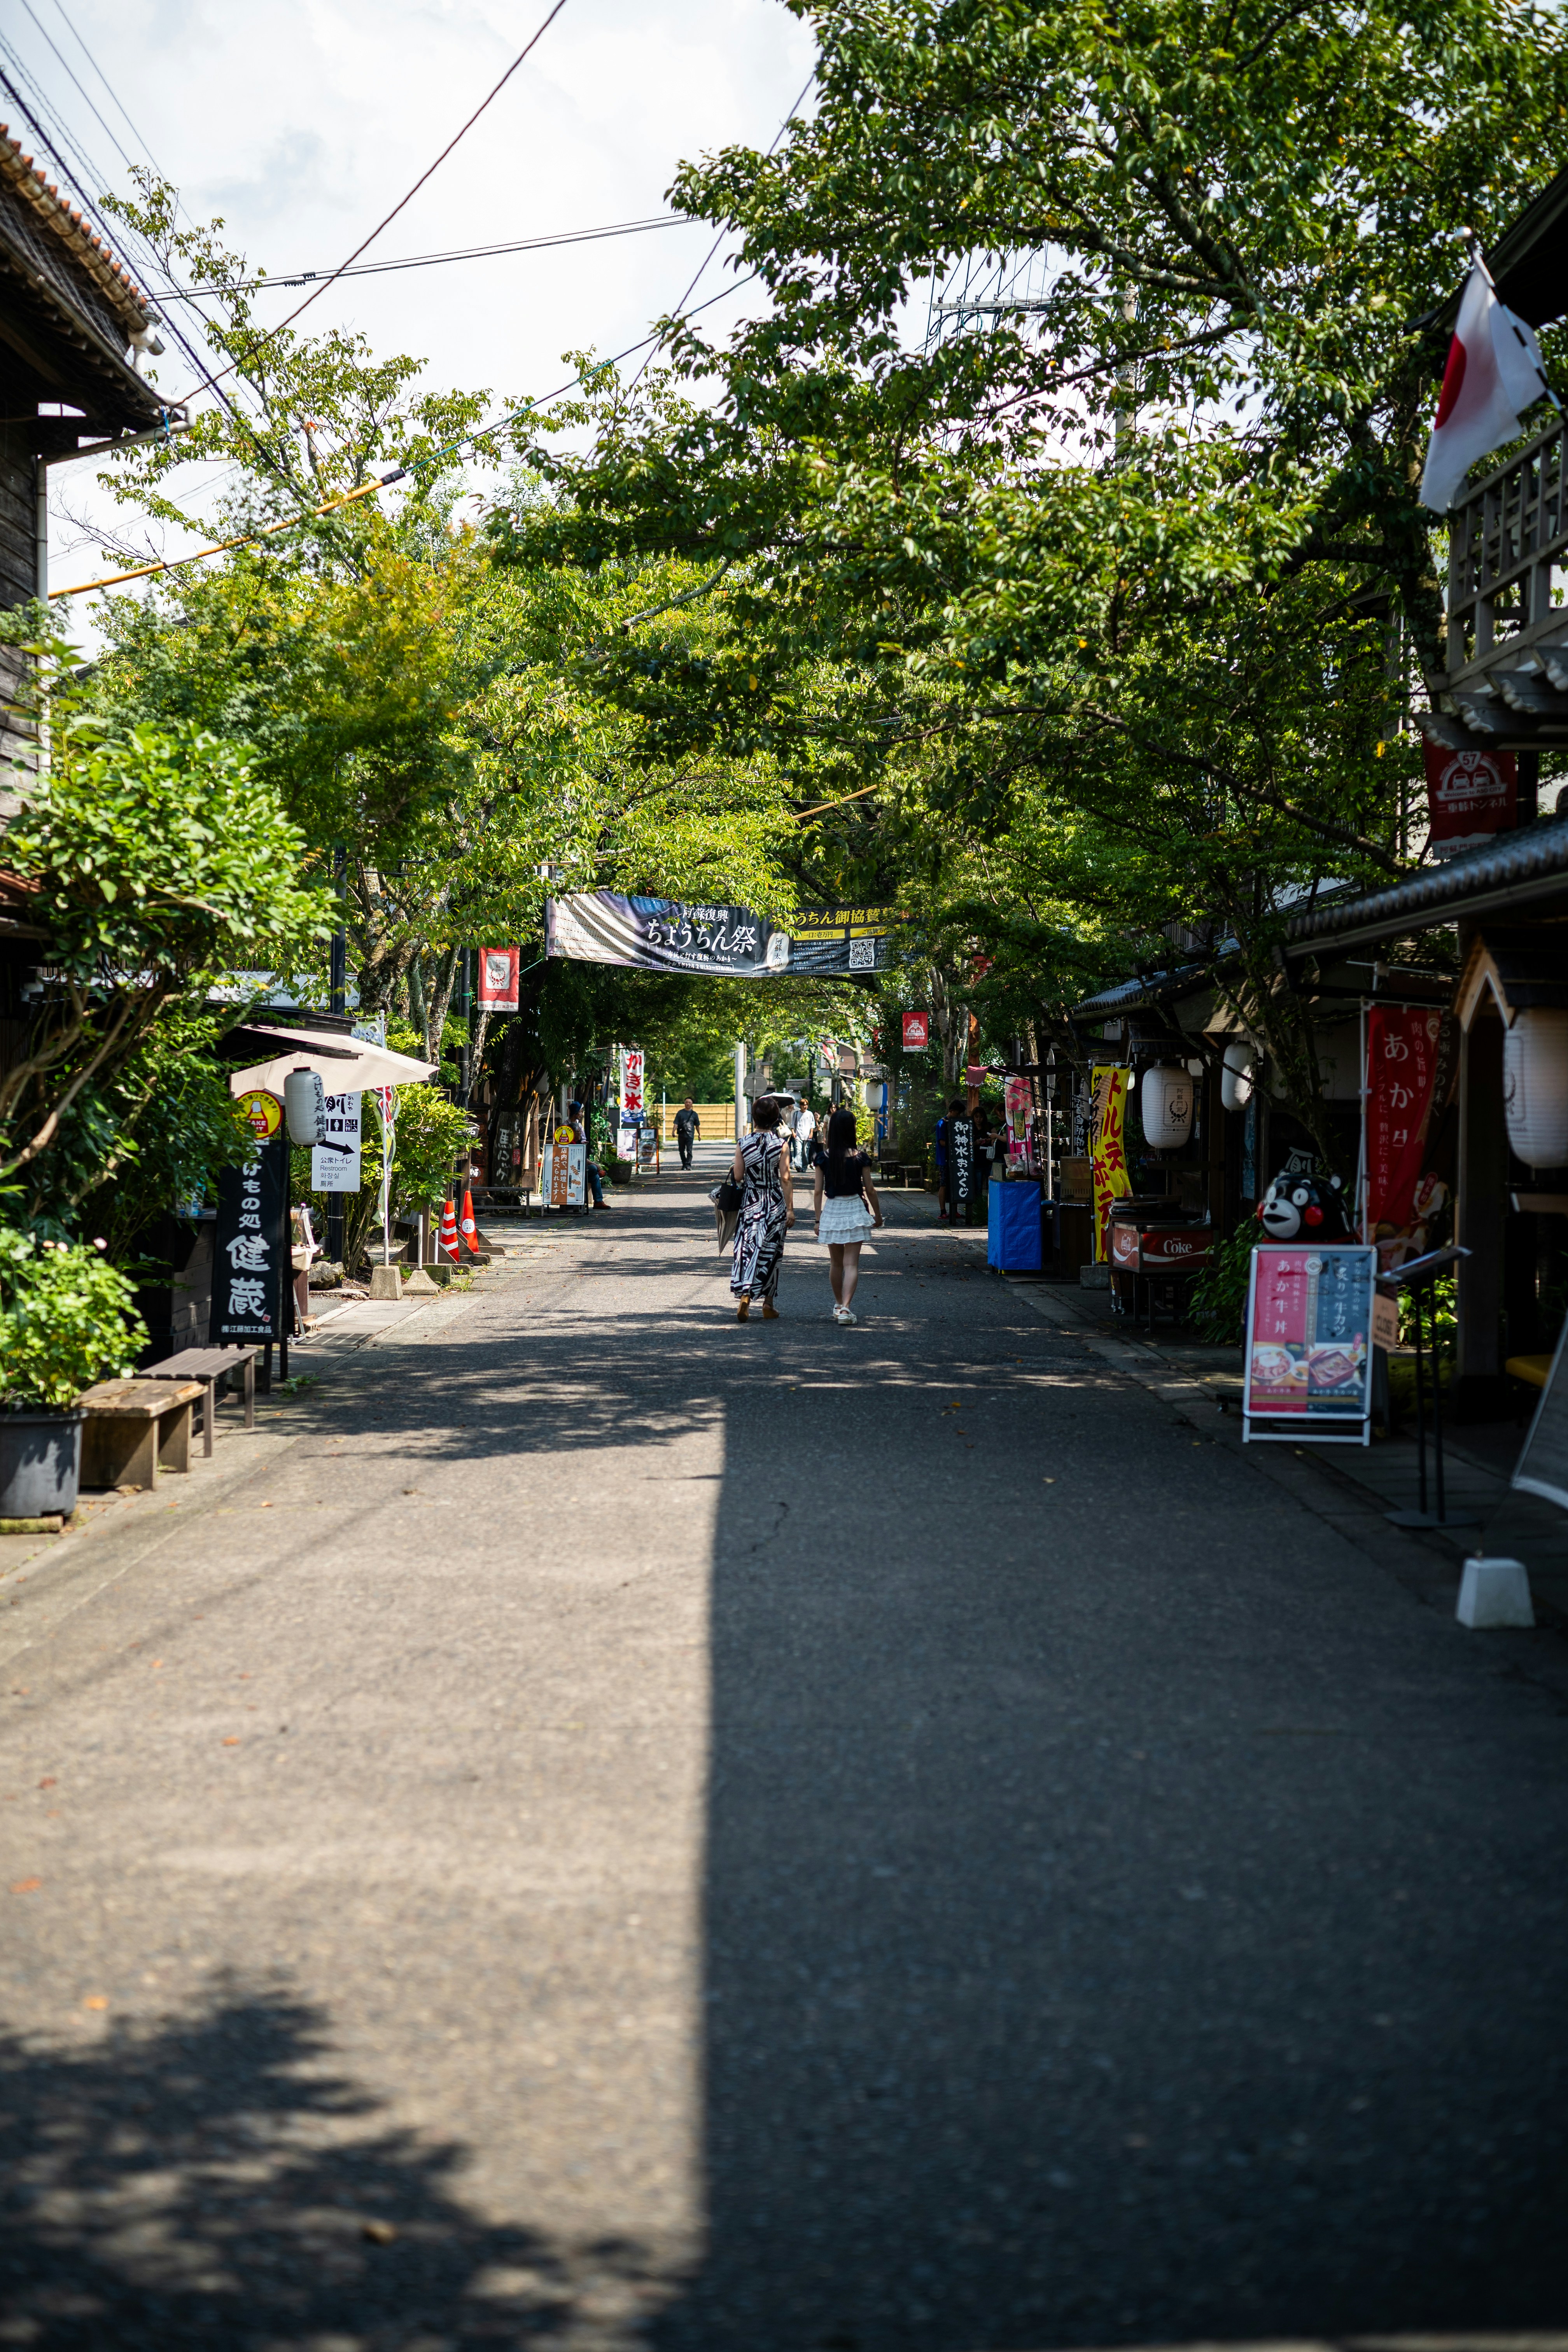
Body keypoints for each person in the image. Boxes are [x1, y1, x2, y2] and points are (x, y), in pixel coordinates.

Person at [812, 1105, 884, 1325]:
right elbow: (870, 1190)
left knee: (836, 1264)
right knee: (851, 1264)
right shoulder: (861, 1158)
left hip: (832, 1210)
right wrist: (878, 1216)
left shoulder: (823, 1158)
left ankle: (837, 1303)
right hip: (854, 1209)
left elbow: (817, 1191)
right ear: (851, 1130)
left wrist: (817, 1220)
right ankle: (846, 1309)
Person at [730, 1094, 793, 1321]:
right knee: (772, 1253)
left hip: (751, 1203)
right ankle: (768, 1304)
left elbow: (738, 1176)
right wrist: (790, 1210)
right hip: (775, 1204)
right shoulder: (781, 1145)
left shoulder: (743, 1143)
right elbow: (785, 1178)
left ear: (754, 1117)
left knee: (748, 1249)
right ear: (776, 1118)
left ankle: (745, 1295)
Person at [567, 1099, 610, 1211]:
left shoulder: (579, 1126)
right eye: (580, 1112)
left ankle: (599, 1202)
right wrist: (595, 1164)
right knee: (594, 1169)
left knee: (595, 1177)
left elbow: (582, 1145)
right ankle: (598, 1201)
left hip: (580, 1163)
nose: (581, 1114)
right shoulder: (566, 1127)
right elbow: (576, 1154)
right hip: (571, 1165)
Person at [934, 1096, 965, 1225]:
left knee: (956, 1183)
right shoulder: (942, 1123)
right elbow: (942, 1142)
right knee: (944, 1184)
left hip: (956, 1158)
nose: (959, 1116)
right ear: (952, 1111)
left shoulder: (956, 1124)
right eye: (958, 1114)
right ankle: (943, 1211)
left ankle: (955, 1210)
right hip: (944, 1159)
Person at [674, 1096, 700, 1169]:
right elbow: (676, 1123)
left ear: (692, 1104)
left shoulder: (694, 1114)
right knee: (681, 1151)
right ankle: (684, 1164)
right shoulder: (680, 1113)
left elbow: (697, 1125)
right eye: (687, 1102)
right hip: (682, 1135)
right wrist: (673, 1132)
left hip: (690, 1135)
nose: (688, 1104)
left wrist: (699, 1135)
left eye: (690, 1102)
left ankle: (688, 1165)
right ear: (684, 1103)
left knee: (689, 1151)